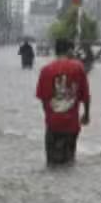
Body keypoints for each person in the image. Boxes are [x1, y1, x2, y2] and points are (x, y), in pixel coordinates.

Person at [35, 37, 91, 166]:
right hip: (71, 125)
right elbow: (86, 95)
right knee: (69, 163)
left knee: (51, 164)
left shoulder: (46, 70)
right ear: (69, 50)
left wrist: (49, 116)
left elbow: (43, 99)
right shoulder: (78, 68)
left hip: (52, 125)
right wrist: (86, 115)